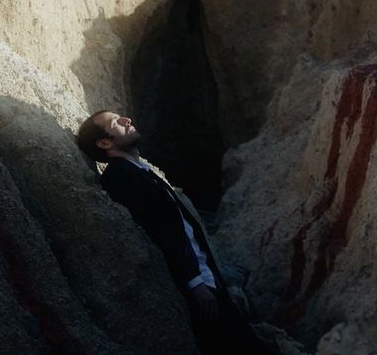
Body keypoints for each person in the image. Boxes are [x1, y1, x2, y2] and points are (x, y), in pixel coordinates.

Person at [77, 110, 264, 354]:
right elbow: (156, 231)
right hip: (197, 286)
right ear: (104, 143)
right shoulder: (120, 176)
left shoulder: (139, 171)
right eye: (116, 122)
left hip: (206, 277)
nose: (127, 120)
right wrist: (194, 282)